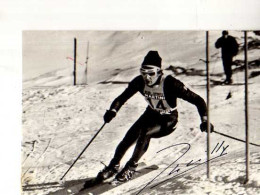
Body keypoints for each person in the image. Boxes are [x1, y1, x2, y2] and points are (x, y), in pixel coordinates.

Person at [97, 51, 214, 182]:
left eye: (151, 73)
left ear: (159, 72)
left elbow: (198, 100)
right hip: (151, 114)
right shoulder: (139, 82)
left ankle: (131, 167)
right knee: (129, 136)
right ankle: (113, 166)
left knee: (145, 132)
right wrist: (113, 110)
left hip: (169, 119)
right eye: (143, 73)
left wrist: (204, 120)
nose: (147, 77)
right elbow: (122, 97)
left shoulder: (171, 83)